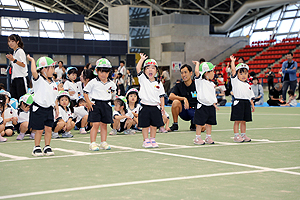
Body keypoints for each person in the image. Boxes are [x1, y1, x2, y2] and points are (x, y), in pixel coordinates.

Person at [27, 55, 59, 156]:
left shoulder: (53, 83)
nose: (53, 70)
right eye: (51, 67)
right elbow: (33, 72)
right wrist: (32, 61)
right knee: (39, 129)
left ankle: (47, 146)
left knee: (49, 128)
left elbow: (55, 97)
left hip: (49, 108)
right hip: (39, 108)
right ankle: (36, 147)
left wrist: (56, 108)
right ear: (44, 69)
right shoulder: (38, 79)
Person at [83, 58, 116, 151]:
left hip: (106, 104)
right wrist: (88, 102)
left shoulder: (112, 83)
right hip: (95, 104)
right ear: (96, 71)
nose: (103, 74)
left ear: (109, 72)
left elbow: (113, 93)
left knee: (104, 124)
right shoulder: (93, 82)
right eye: (101, 72)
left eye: (106, 72)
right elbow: (85, 92)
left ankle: (103, 142)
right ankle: (92, 143)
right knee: (96, 124)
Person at [136, 53, 165, 148]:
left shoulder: (159, 83)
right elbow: (137, 68)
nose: (150, 70)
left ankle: (152, 139)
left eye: (153, 68)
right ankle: (146, 140)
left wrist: (163, 106)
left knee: (154, 125)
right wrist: (142, 59)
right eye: (147, 68)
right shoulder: (143, 79)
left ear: (156, 70)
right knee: (145, 125)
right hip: (145, 106)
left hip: (155, 107)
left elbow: (161, 96)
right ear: (144, 71)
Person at [230, 55, 255, 143]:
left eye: (245, 73)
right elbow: (233, 70)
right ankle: (236, 136)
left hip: (246, 103)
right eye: (241, 73)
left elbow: (250, 96)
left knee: (244, 120)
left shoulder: (248, 85)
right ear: (237, 74)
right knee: (237, 120)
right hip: (238, 103)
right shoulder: (235, 81)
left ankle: (243, 134)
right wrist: (233, 61)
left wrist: (252, 104)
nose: (243, 75)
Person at [192, 61, 218, 145]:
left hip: (210, 106)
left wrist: (214, 104)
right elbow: (196, 72)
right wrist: (197, 64)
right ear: (206, 72)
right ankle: (197, 138)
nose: (214, 73)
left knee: (209, 123)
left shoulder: (211, 83)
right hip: (202, 105)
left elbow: (211, 95)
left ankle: (208, 137)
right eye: (212, 71)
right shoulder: (200, 81)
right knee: (199, 123)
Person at [168, 64, 198, 132]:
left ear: (191, 73)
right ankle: (175, 124)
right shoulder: (179, 85)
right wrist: (184, 98)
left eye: (185, 72)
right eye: (182, 73)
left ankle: (193, 123)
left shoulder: (197, 85)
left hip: (195, 111)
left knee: (202, 128)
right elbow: (171, 96)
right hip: (184, 111)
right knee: (175, 102)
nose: (183, 75)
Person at [6, 34, 28, 100]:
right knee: (13, 99)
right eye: (9, 41)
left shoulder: (20, 51)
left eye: (12, 41)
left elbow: (23, 64)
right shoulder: (15, 52)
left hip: (21, 79)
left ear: (17, 42)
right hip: (15, 78)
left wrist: (14, 60)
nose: (10, 43)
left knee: (22, 100)